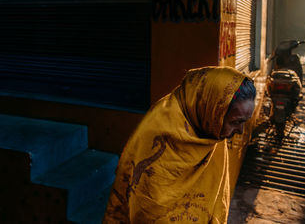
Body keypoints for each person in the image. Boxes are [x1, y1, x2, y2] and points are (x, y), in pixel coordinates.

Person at [103, 66, 256, 224]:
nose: (240, 130)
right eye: (235, 122)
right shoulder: (158, 129)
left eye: (244, 122)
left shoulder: (212, 131)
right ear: (213, 109)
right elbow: (144, 205)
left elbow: (216, 199)